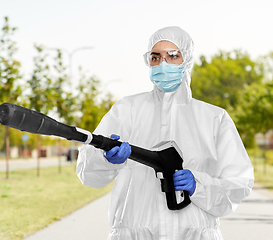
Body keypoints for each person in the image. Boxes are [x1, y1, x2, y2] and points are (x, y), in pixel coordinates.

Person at [76, 26, 254, 240]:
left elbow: (239, 183)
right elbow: (88, 174)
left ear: (186, 60)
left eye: (172, 56)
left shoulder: (214, 118)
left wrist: (199, 186)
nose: (163, 64)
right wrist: (105, 159)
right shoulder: (127, 110)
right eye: (155, 57)